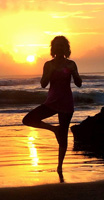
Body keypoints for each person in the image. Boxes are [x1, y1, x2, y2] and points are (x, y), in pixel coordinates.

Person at [22, 36, 82, 173]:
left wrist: (75, 74)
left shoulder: (71, 64)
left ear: (66, 48)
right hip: (52, 101)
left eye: (62, 45)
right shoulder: (48, 65)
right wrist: (49, 73)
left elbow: (79, 84)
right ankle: (54, 129)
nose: (59, 48)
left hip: (66, 102)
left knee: (64, 135)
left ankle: (59, 167)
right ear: (53, 48)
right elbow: (43, 84)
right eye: (57, 45)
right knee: (28, 119)